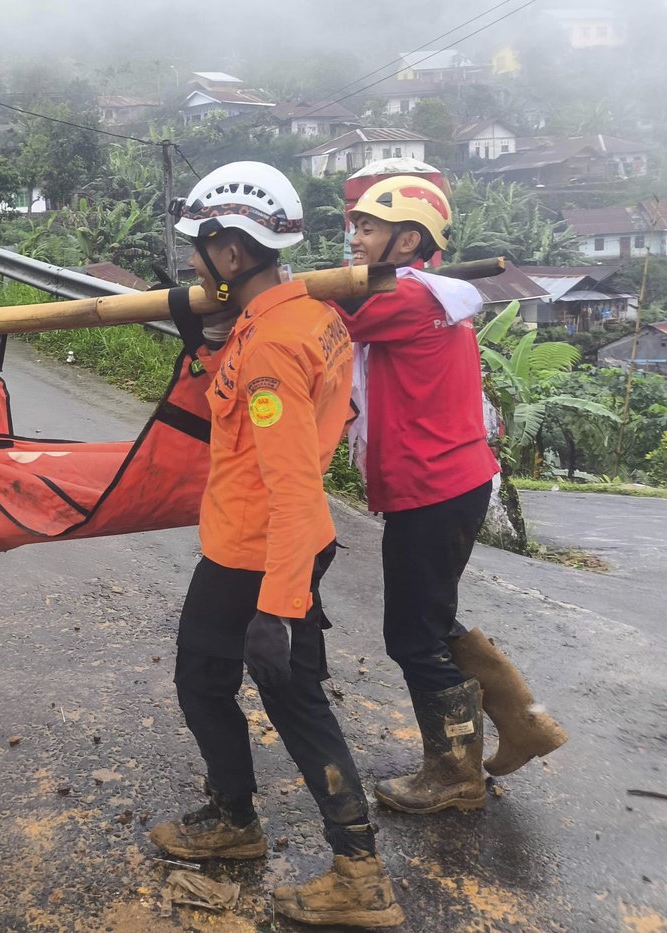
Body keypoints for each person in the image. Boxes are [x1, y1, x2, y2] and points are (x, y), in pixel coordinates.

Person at [154, 162, 404, 928]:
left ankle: (326, 859)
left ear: (233, 255)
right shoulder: (305, 314)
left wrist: (279, 607)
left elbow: (294, 485)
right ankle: (256, 823)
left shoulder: (271, 347)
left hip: (259, 552)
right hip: (271, 544)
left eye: (202, 246)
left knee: (239, 685)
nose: (195, 261)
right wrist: (208, 346)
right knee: (250, 686)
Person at [337, 175, 568, 815]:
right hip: (448, 483)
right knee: (431, 620)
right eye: (355, 227)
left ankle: (455, 772)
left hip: (433, 489)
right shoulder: (429, 293)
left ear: (408, 240)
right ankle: (524, 722)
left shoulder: (407, 298)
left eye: (369, 228)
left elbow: (320, 316)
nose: (355, 239)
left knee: (412, 635)